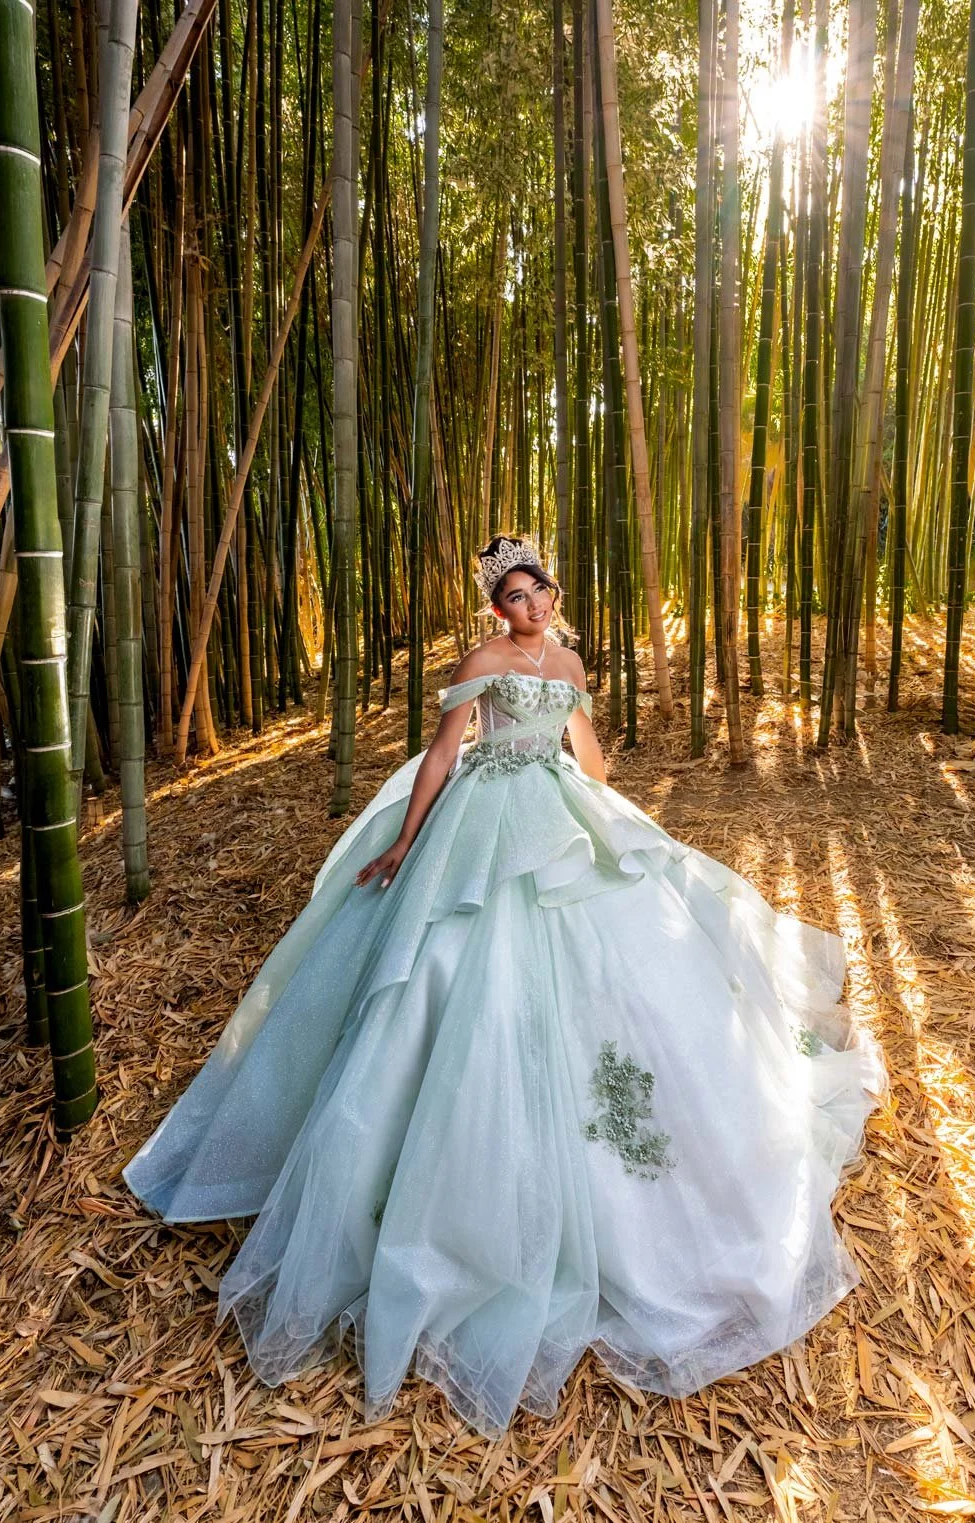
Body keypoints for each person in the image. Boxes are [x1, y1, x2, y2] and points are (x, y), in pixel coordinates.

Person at [122, 533, 886, 1440]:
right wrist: (407, 841)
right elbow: (445, 753)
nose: (533, 605)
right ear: (496, 606)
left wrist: (605, 800)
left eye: (541, 590)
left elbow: (589, 756)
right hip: (481, 815)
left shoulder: (565, 657)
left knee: (626, 956)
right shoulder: (482, 660)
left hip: (556, 807)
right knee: (446, 968)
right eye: (516, 596)